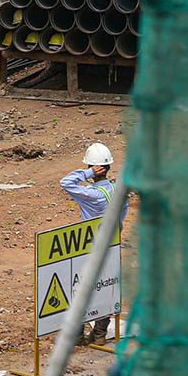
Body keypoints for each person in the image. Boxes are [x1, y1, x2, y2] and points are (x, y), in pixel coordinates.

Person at [59, 142, 126, 345]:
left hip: (88, 248)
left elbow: (66, 183)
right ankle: (99, 335)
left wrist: (86, 174)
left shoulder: (91, 195)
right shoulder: (117, 191)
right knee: (107, 288)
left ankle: (78, 335)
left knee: (78, 289)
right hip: (111, 246)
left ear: (91, 166)